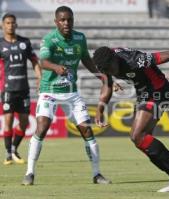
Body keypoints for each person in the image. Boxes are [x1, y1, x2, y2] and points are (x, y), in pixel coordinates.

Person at [92, 46, 169, 192]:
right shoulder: (105, 62)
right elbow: (107, 84)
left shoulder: (134, 60)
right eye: (106, 70)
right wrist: (100, 109)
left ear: (114, 60)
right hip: (143, 93)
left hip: (158, 91)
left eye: (110, 68)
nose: (109, 72)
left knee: (137, 135)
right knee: (142, 142)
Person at [22, 6, 111, 185]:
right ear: (56, 22)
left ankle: (97, 174)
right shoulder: (50, 39)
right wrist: (56, 67)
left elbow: (86, 59)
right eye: (62, 20)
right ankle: (29, 173)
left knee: (87, 131)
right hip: (50, 91)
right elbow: (43, 61)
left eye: (69, 19)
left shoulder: (80, 38)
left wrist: (102, 77)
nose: (66, 23)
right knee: (42, 127)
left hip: (71, 93)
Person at [0, 13, 42, 165]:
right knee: (8, 120)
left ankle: (13, 149)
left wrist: (39, 78)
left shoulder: (25, 42)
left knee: (24, 122)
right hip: (7, 89)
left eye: (13, 23)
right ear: (2, 25)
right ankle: (8, 154)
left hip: (23, 88)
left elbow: (35, 61)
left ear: (16, 24)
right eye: (7, 23)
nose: (10, 25)